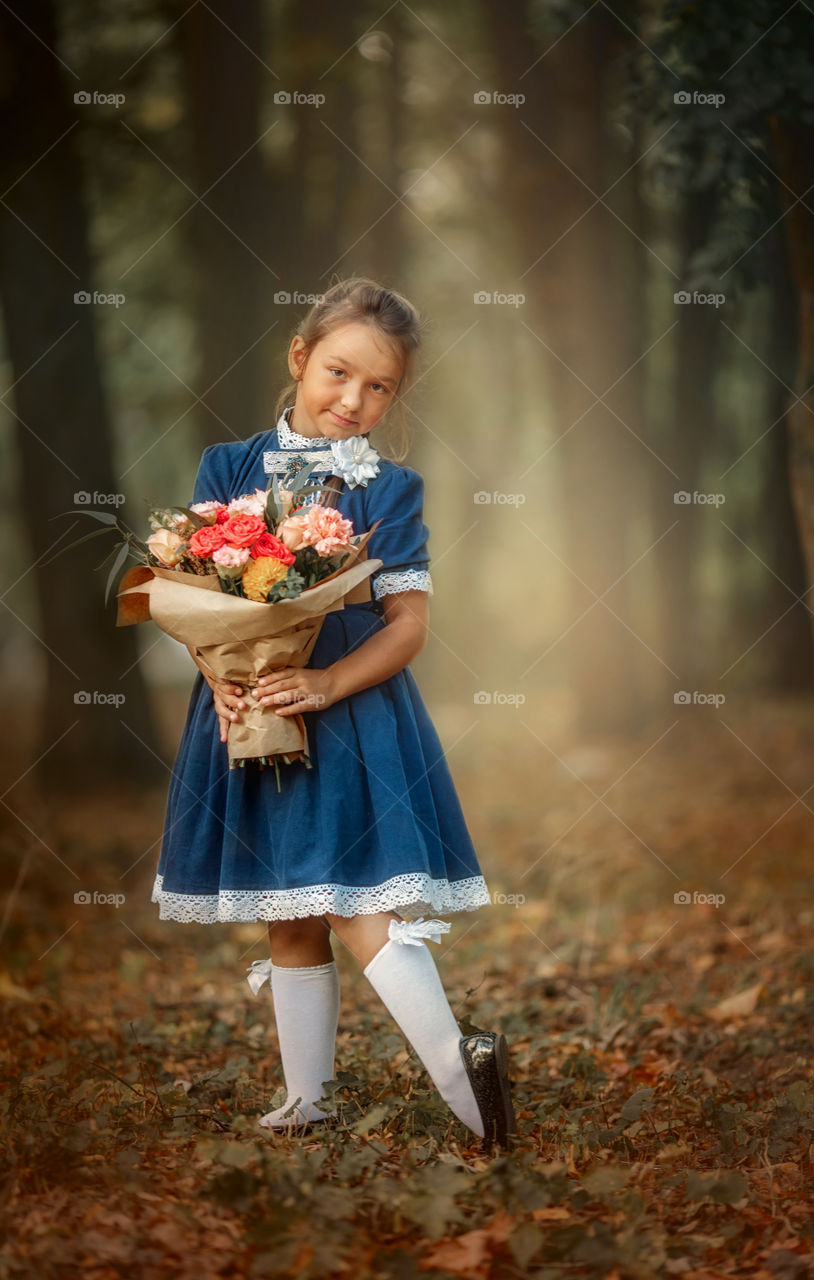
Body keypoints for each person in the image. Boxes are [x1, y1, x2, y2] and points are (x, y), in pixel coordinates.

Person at [150, 277, 515, 1151]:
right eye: (339, 373)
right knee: (290, 907)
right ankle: (306, 1096)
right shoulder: (225, 466)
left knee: (358, 905)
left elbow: (410, 627)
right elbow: (188, 596)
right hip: (248, 713)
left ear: (398, 395)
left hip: (350, 715)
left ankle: (468, 1083)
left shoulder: (391, 489)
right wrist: (216, 668)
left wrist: (325, 684)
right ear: (298, 357)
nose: (353, 400)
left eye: (379, 386)